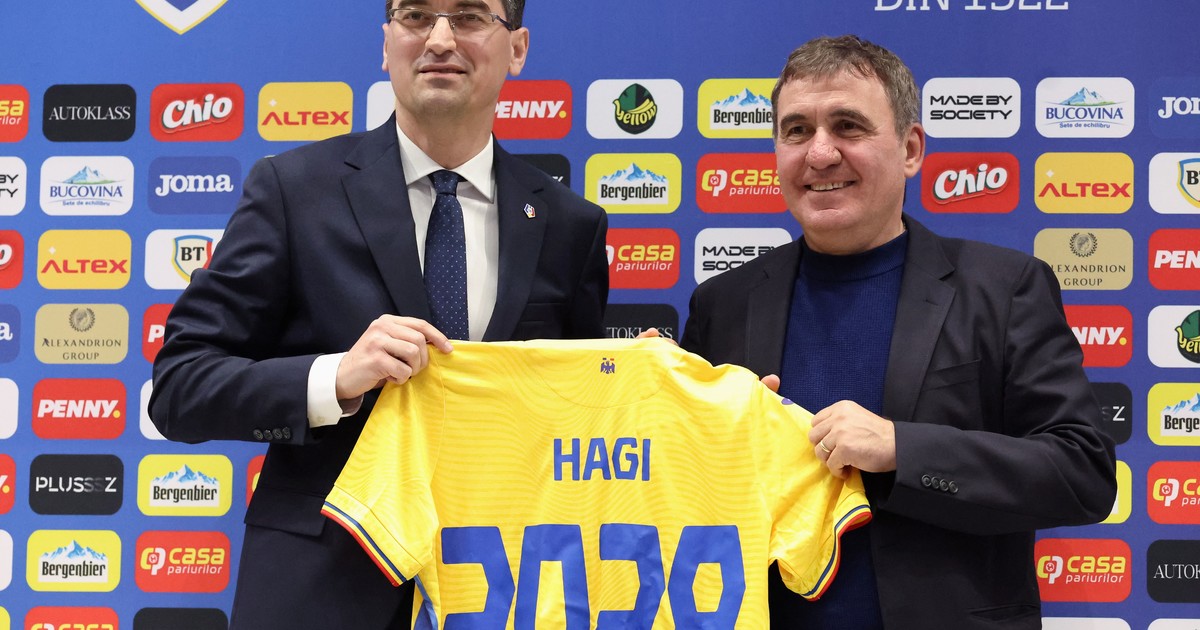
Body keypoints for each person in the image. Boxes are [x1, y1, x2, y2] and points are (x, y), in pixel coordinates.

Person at [149, 1, 608, 627]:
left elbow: (577, 425)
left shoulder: (570, 225)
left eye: (469, 16)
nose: (440, 39)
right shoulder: (293, 190)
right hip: (322, 597)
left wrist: (636, 388)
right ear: (386, 43)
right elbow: (180, 387)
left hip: (506, 594)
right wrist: (333, 378)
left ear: (518, 48)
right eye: (416, 15)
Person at [680, 35, 1116, 629]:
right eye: (797, 131)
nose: (820, 153)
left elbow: (1083, 473)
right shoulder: (722, 303)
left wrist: (900, 449)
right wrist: (658, 406)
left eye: (848, 126)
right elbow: (692, 498)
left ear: (910, 149)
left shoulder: (1004, 287)